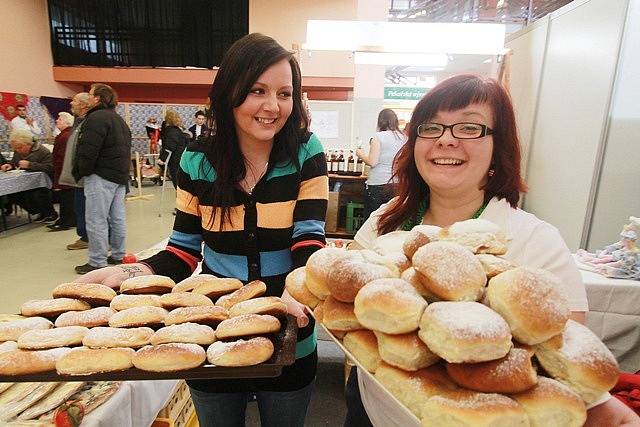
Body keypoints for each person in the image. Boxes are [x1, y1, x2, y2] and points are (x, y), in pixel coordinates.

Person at [346, 74, 640, 427]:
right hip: (372, 402)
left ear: (498, 147)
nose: (446, 141)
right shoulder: (388, 217)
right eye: (431, 127)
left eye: (469, 128)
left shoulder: (534, 240)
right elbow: (345, 293)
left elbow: (558, 354)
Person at [75, 33, 328, 427]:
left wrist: (297, 290)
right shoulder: (196, 159)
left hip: (292, 329)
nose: (272, 106)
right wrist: (132, 273)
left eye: (284, 93)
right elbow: (182, 249)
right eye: (257, 90)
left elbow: (309, 238)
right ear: (230, 92)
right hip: (212, 330)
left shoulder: (305, 151)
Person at [72, 83, 131, 274]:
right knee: (117, 218)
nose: (88, 97)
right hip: (119, 176)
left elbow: (88, 150)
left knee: (96, 219)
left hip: (100, 175)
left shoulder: (95, 118)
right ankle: (118, 255)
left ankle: (97, 261)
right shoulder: (119, 120)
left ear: (97, 98)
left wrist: (81, 171)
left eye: (90, 94)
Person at [355, 109, 406, 219]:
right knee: (392, 220)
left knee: (373, 221)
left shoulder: (378, 137)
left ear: (380, 121)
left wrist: (360, 154)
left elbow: (372, 162)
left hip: (377, 184)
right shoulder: (404, 138)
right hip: (397, 184)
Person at [1, 129, 57, 223]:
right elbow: (15, 163)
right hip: (25, 181)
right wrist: (9, 166)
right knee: (12, 194)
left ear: (28, 144)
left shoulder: (42, 151)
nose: (17, 150)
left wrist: (30, 165)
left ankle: (50, 213)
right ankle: (38, 211)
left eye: (20, 147)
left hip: (44, 182)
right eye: (15, 148)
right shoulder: (18, 152)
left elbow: (51, 168)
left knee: (38, 192)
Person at [59, 93, 91, 249]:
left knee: (85, 208)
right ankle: (85, 236)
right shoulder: (79, 122)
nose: (71, 103)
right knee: (80, 207)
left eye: (75, 101)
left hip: (84, 175)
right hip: (78, 175)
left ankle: (87, 237)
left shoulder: (89, 122)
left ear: (85, 105)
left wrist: (80, 171)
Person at [158, 109, 188, 190]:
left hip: (176, 160)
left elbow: (169, 147)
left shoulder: (172, 131)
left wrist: (162, 159)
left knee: (177, 182)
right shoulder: (177, 130)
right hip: (181, 158)